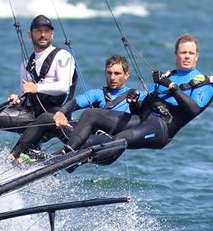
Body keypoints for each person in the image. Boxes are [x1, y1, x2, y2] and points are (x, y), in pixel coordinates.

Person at [61, 33, 213, 161]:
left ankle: (78, 160)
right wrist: (134, 102)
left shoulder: (203, 83)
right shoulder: (167, 76)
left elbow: (194, 109)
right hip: (143, 119)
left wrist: (171, 86)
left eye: (191, 53)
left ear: (197, 56)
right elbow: (142, 108)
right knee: (91, 114)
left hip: (161, 128)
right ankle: (64, 154)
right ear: (176, 54)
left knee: (122, 137)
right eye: (183, 52)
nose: (187, 56)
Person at [0, 14, 76, 153]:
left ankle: (28, 152)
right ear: (30, 34)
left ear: (52, 34)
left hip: (54, 118)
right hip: (32, 117)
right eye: (38, 31)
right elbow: (29, 98)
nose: (43, 34)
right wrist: (18, 102)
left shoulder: (62, 56)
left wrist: (37, 87)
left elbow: (64, 87)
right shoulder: (25, 65)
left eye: (47, 31)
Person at [8, 54, 137, 162]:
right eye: (109, 73)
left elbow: (152, 106)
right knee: (47, 117)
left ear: (126, 75)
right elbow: (75, 103)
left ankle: (47, 160)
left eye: (117, 73)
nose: (112, 77)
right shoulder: (97, 94)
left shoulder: (138, 95)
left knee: (61, 152)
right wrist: (61, 114)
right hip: (82, 138)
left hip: (108, 146)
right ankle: (15, 156)